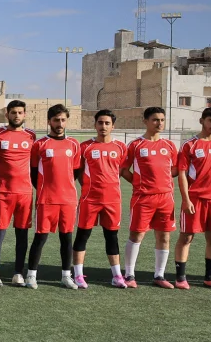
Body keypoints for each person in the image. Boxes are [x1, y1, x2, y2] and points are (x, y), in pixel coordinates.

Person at [174, 107, 211, 290]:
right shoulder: (190, 145)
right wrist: (186, 199)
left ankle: (210, 277)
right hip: (195, 199)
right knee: (186, 237)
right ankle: (180, 278)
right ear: (202, 121)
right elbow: (182, 174)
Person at [24, 104, 81, 289]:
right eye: (56, 120)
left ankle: (66, 276)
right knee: (40, 238)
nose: (60, 123)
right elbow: (33, 173)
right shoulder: (39, 145)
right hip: (46, 200)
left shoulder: (74, 144)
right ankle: (31, 275)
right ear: (49, 121)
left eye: (63, 120)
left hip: (68, 200)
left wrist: (65, 187)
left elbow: (75, 171)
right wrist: (45, 189)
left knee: (66, 238)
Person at [122, 106, 178, 288]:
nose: (159, 123)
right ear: (145, 121)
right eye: (155, 120)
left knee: (164, 237)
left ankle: (159, 276)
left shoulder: (169, 145)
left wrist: (164, 180)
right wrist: (138, 183)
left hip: (166, 198)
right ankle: (129, 275)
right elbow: (124, 169)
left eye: (162, 120)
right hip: (143, 198)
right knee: (137, 235)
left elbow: (176, 169)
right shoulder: (136, 145)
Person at [73, 109, 127, 288]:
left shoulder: (120, 147)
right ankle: (78, 275)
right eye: (100, 123)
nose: (103, 126)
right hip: (90, 199)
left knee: (112, 236)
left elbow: (121, 170)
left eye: (107, 123)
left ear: (113, 126)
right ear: (95, 125)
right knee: (82, 235)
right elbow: (79, 172)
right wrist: (89, 187)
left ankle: (117, 275)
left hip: (113, 200)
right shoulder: (85, 147)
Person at [0, 100, 37, 286]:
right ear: (7, 114)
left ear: (24, 114)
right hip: (3, 192)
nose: (16, 115)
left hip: (24, 193)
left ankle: (18, 273)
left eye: (20, 112)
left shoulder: (31, 136)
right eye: (13, 112)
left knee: (22, 234)